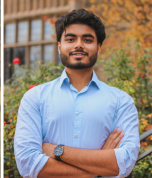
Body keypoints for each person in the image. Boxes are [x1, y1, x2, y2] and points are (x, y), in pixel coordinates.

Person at [14, 9, 140, 178]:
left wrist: (57, 151)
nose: (78, 45)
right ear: (60, 47)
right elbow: (28, 164)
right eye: (70, 39)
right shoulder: (34, 98)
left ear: (98, 48)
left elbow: (123, 163)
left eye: (87, 40)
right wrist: (100, 165)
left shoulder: (121, 101)